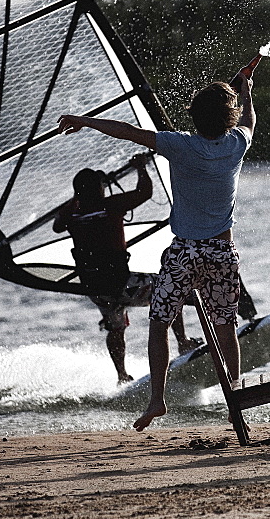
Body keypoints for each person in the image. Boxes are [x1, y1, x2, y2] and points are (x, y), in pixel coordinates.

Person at [58, 74, 255, 431]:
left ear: (193, 116)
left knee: (159, 322)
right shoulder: (237, 145)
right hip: (222, 252)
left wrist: (84, 120)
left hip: (184, 253)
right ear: (230, 117)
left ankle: (157, 400)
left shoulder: (177, 144)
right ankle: (235, 396)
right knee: (225, 324)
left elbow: (124, 130)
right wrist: (247, 92)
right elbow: (249, 120)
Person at [53, 155, 201, 384]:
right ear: (98, 190)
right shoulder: (110, 206)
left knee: (116, 328)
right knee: (171, 289)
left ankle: (122, 375)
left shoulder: (72, 216)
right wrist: (140, 167)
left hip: (96, 289)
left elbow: (56, 226)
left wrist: (79, 196)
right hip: (121, 284)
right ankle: (183, 342)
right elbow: (144, 192)